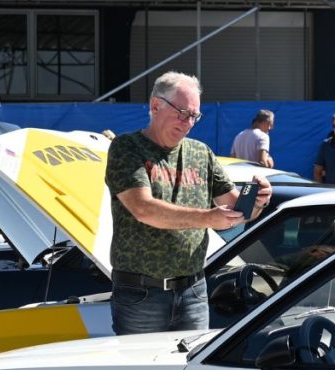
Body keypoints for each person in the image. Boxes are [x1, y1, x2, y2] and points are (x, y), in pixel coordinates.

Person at [105, 71, 271, 336]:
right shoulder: (127, 148)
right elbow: (143, 209)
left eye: (194, 115)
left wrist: (259, 200)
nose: (188, 122)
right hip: (141, 292)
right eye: (182, 112)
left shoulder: (200, 152)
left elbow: (240, 211)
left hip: (193, 289)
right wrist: (208, 218)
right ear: (155, 106)